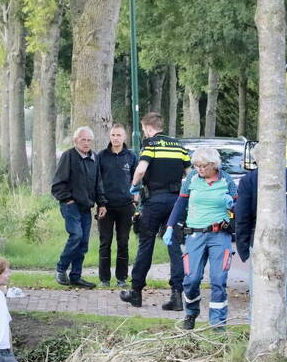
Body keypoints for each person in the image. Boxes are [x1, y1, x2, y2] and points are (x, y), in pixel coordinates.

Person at [235, 144, 287, 350]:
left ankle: (259, 344)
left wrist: (244, 247)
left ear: (257, 161)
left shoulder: (249, 180)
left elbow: (242, 216)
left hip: (260, 244)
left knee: (259, 297)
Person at [120, 112, 191, 309]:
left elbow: (141, 169)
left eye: (144, 130)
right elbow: (189, 174)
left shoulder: (150, 144)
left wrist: (133, 187)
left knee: (146, 244)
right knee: (175, 247)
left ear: (148, 128)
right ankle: (177, 296)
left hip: (154, 201)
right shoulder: (178, 146)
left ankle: (136, 292)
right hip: (176, 202)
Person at [163, 147, 237, 329]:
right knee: (192, 279)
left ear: (213, 165)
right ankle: (191, 313)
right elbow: (181, 202)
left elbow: (239, 206)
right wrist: (170, 227)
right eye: (196, 165)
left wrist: (232, 204)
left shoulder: (226, 179)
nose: (199, 169)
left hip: (219, 234)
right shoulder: (191, 179)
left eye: (203, 166)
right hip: (195, 234)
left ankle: (218, 324)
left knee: (218, 280)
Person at [51, 126, 107, 288]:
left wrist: (101, 203)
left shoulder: (94, 158)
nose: (86, 143)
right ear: (76, 140)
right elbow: (57, 184)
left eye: (89, 140)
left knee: (83, 243)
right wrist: (67, 199)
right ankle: (61, 269)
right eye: (83, 139)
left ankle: (76, 276)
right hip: (71, 206)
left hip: (86, 207)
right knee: (76, 235)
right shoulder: (68, 156)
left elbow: (98, 183)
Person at [96, 124, 138, 288]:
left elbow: (137, 180)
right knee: (105, 242)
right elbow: (97, 181)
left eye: (119, 135)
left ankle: (121, 278)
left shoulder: (131, 156)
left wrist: (135, 201)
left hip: (126, 206)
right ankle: (104, 279)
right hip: (105, 207)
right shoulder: (101, 156)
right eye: (113, 135)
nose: (115, 138)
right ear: (109, 136)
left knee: (123, 242)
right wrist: (101, 203)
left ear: (124, 137)